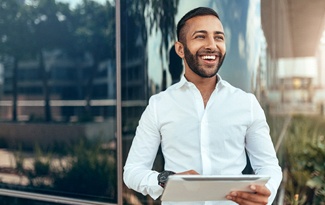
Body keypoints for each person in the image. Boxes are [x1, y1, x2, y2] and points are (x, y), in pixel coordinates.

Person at [123, 7, 282, 205]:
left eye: (219, 37)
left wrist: (267, 191)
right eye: (200, 37)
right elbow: (132, 171)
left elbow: (269, 166)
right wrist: (166, 179)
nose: (212, 45)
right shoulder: (158, 105)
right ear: (180, 49)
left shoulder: (247, 103)